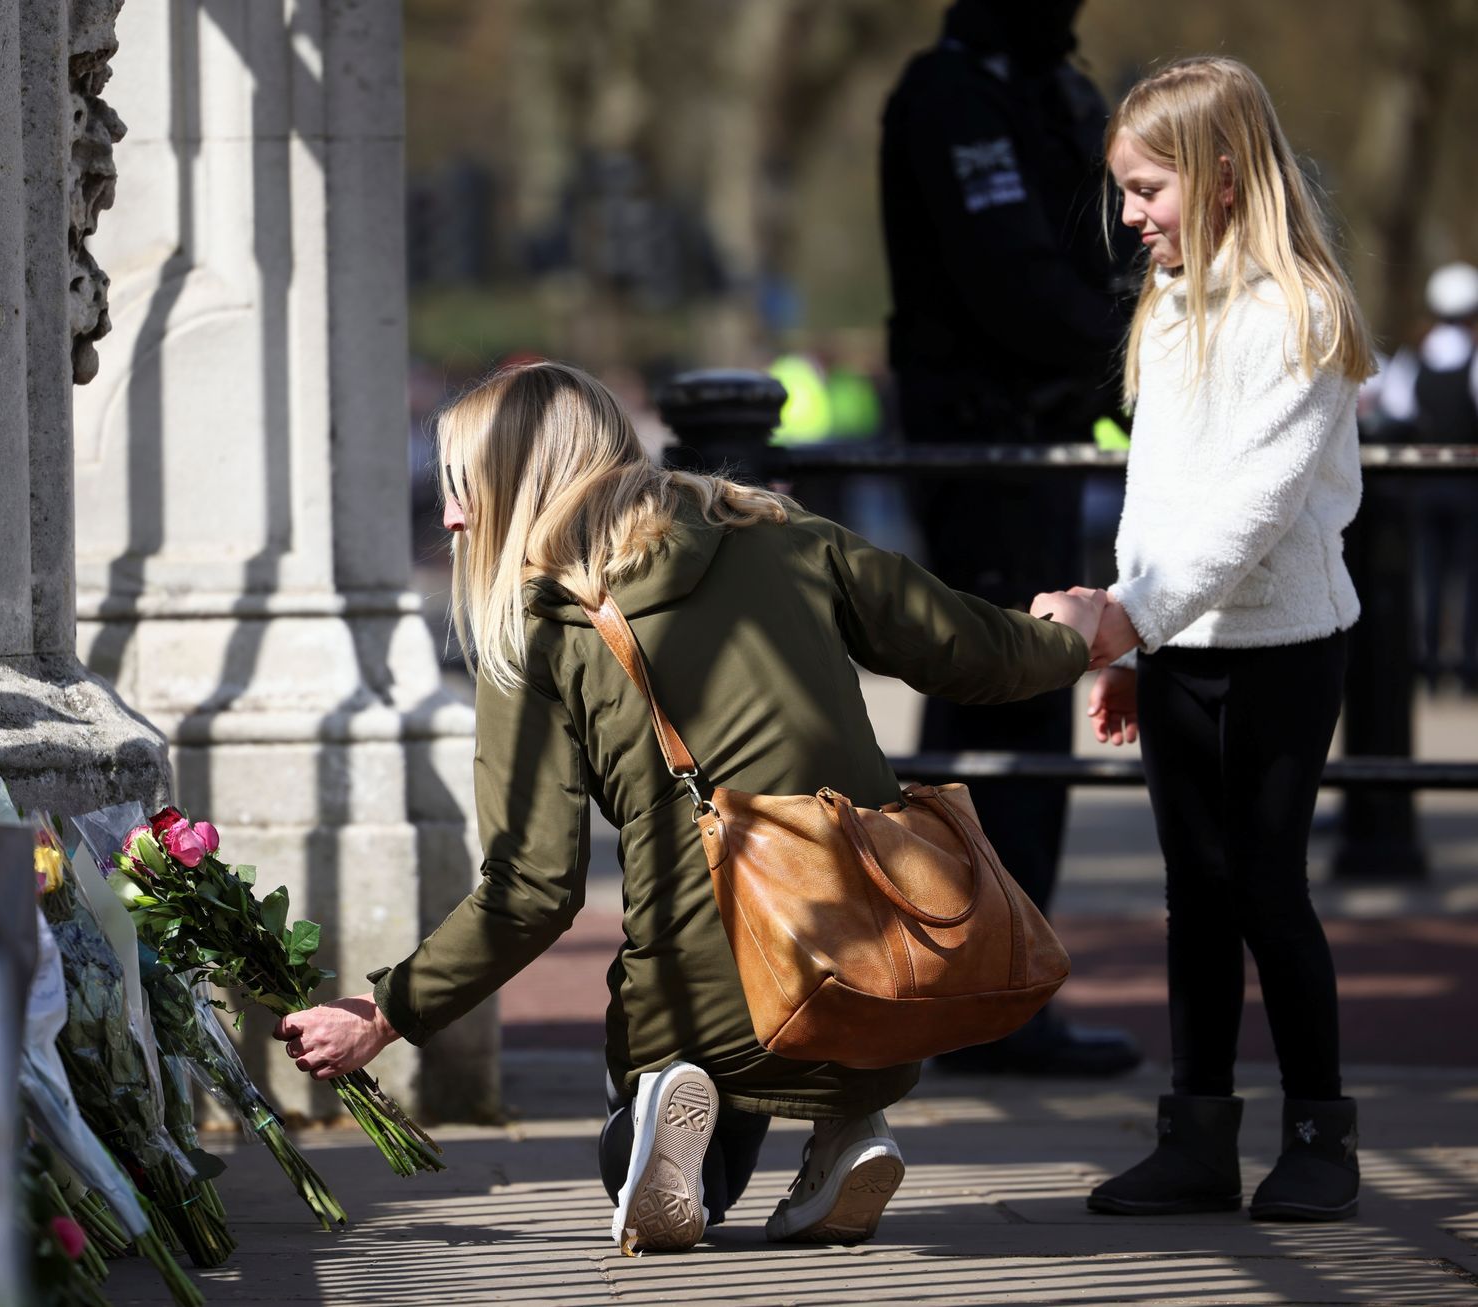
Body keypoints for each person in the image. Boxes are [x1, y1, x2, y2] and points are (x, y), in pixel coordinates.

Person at [274, 361, 1112, 1252]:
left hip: (707, 988)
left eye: (462, 488)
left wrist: (384, 1012)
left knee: (672, 1093)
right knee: (830, 1028)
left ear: (519, 486)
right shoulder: (784, 532)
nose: (449, 517)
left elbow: (534, 887)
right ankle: (847, 1127)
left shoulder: (543, 626)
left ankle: (669, 1098)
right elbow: (964, 650)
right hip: (882, 957)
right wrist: (1073, 637)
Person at [1078, 56, 1375, 1222]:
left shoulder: (1301, 314)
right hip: (1179, 644)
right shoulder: (1166, 308)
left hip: (1285, 649)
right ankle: (1196, 1134)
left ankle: (1320, 1133)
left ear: (1222, 174)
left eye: (1147, 188)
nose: (1131, 216)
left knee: (1263, 882)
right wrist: (1128, 633)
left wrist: (1125, 614)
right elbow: (1156, 501)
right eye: (1124, 192)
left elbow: (1253, 511)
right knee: (1192, 893)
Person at [879, 0, 1141, 1076]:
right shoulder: (954, 98)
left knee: (1028, 720)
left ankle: (1001, 991)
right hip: (985, 448)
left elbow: (1098, 242)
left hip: (1041, 442)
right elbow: (1016, 281)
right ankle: (980, 998)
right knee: (995, 707)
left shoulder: (1051, 90)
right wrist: (1142, 360)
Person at [1369, 261, 1478, 692]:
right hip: (1470, 487)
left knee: (1426, 577)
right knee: (1469, 579)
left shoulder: (1414, 359)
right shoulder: (1472, 357)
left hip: (1422, 488)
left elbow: (1395, 414)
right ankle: (1468, 668)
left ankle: (1428, 666)